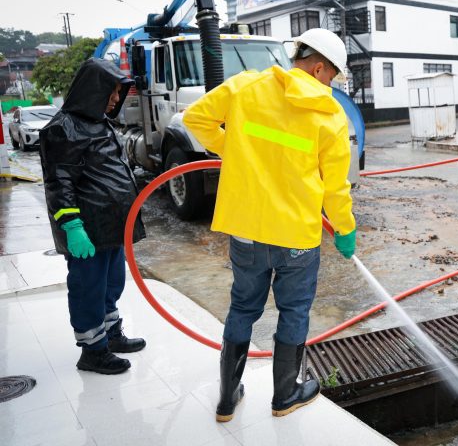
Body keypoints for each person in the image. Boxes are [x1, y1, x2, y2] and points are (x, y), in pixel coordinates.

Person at [183, 28, 356, 421]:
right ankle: (285, 395)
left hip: (246, 228)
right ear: (317, 68)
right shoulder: (329, 115)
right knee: (294, 310)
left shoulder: (246, 86)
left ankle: (227, 400)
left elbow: (196, 118)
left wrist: (236, 148)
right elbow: (336, 187)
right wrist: (345, 229)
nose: (332, 84)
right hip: (296, 235)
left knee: (243, 307)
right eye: (332, 76)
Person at [39, 58, 147, 375]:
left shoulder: (99, 122)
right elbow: (59, 182)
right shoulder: (63, 128)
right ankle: (92, 350)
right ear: (93, 90)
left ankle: (111, 335)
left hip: (112, 227)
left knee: (111, 284)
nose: (116, 99)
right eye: (112, 93)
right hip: (88, 231)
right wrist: (72, 226)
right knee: (89, 288)